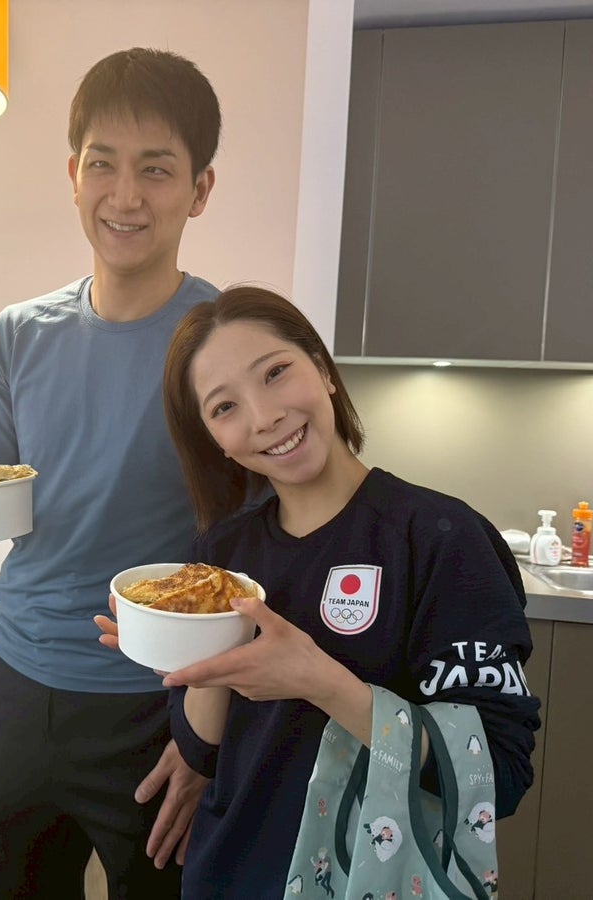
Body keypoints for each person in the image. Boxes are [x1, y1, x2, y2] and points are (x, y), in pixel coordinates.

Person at [98, 285, 541, 897]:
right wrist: (194, 651)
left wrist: (319, 680)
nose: (264, 417)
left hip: (373, 880)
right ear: (212, 439)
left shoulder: (440, 539)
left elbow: (499, 772)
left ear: (324, 370)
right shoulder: (221, 557)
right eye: (224, 407)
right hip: (230, 874)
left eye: (275, 373)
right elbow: (202, 753)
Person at [0, 48, 222, 898]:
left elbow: (259, 551)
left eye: (156, 169)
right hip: (14, 682)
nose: (125, 196)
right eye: (102, 164)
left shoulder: (223, 343)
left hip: (155, 699)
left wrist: (206, 735)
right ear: (73, 175)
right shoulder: (18, 334)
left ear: (199, 189)